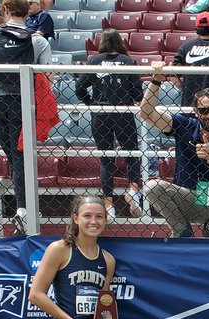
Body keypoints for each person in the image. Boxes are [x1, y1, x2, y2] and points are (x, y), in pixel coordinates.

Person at [140, 62, 209, 237]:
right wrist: (156, 80)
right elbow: (146, 113)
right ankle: (181, 231)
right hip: (183, 196)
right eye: (204, 110)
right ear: (196, 112)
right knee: (152, 186)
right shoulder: (184, 125)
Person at [0, 0, 52, 232]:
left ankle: (24, 206)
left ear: (5, 10)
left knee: (11, 151)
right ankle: (24, 208)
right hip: (24, 99)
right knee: (20, 153)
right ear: (28, 12)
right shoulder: (38, 40)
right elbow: (48, 75)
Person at [76, 30, 145, 220]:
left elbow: (79, 88)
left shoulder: (94, 61)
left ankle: (108, 205)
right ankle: (133, 190)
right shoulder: (128, 61)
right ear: (119, 42)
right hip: (123, 112)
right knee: (132, 155)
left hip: (100, 114)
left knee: (106, 160)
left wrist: (91, 102)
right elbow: (138, 94)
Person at [170, 11, 209, 108]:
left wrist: (184, 89)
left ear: (197, 29)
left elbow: (173, 75)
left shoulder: (185, 47)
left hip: (189, 102)